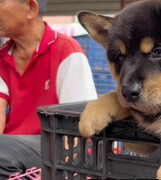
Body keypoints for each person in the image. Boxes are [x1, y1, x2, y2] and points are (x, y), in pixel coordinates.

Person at [0, 0, 98, 178]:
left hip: (58, 148)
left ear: (31, 7)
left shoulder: (66, 51)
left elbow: (76, 128)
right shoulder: (3, 58)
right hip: (12, 152)